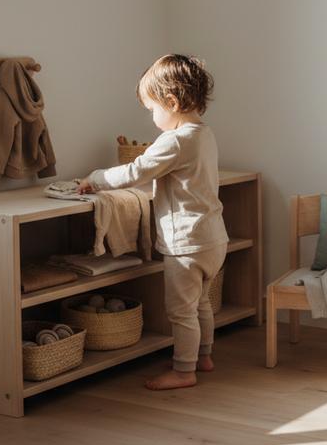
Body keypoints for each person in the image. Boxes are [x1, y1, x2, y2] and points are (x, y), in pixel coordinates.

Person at [79, 54, 228, 390]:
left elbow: (136, 171)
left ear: (171, 102)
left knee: (181, 311)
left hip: (186, 243)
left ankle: (183, 370)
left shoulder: (175, 140)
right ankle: (203, 356)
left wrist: (96, 177)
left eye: (152, 109)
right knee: (201, 302)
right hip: (213, 239)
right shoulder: (204, 134)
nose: (152, 116)